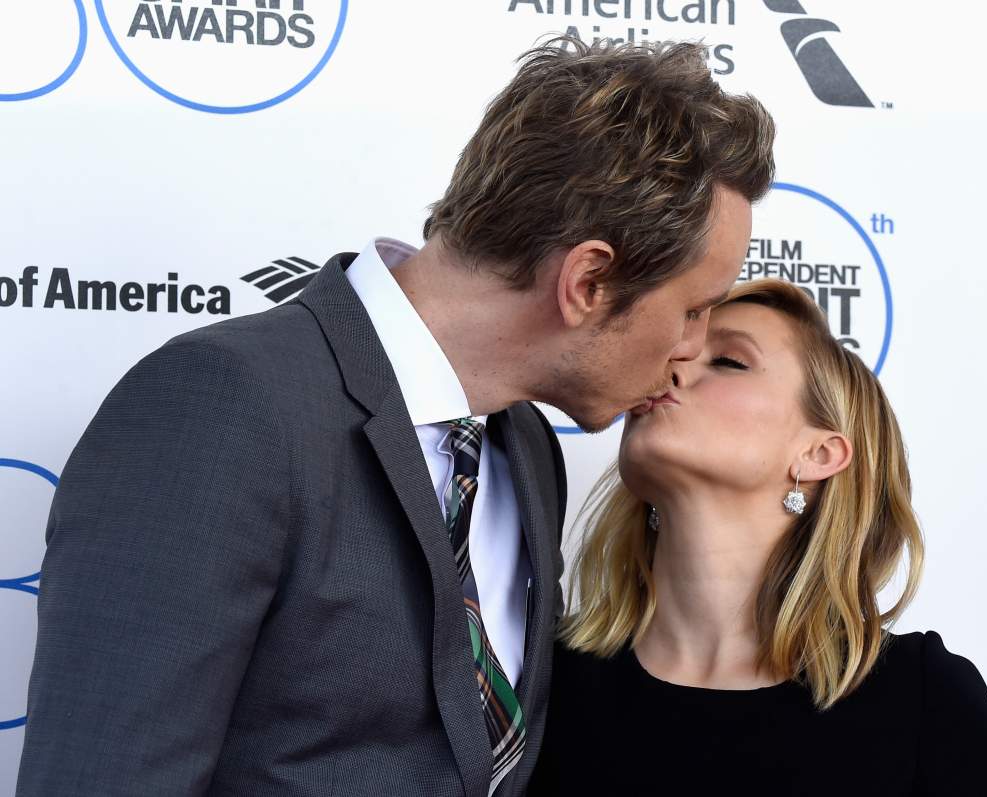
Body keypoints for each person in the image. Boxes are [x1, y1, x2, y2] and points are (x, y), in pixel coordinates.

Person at [16, 39, 775, 796]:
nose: (693, 347)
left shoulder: (527, 448)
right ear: (588, 282)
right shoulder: (221, 407)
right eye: (694, 309)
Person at [529, 279, 987, 796]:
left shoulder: (929, 707)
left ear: (819, 455)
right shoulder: (538, 684)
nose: (670, 368)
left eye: (729, 361)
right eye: (670, 353)